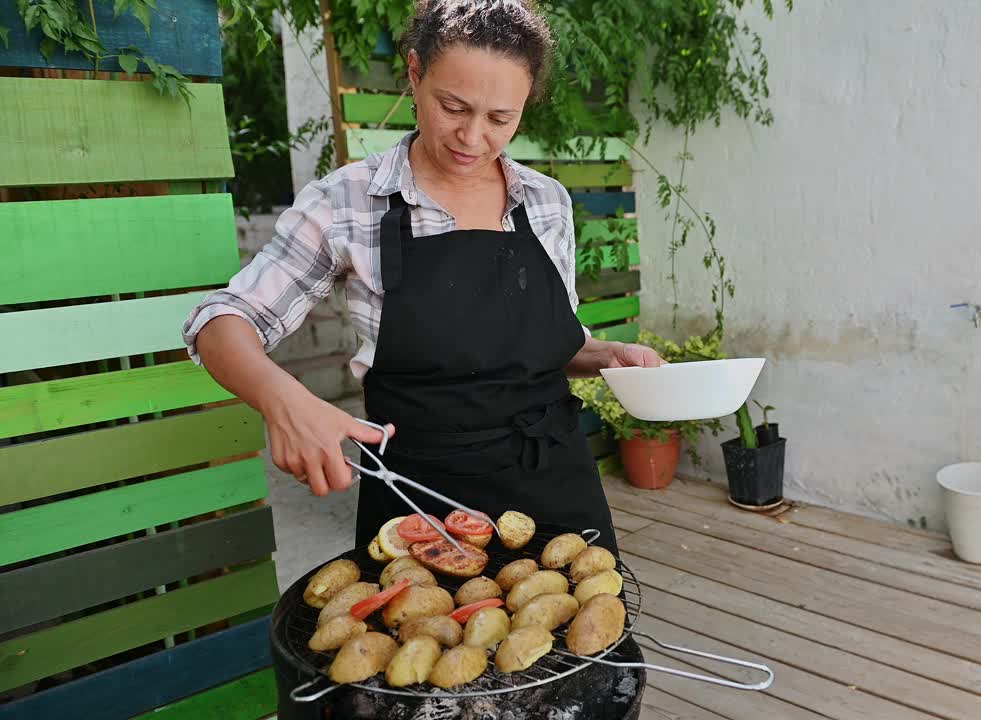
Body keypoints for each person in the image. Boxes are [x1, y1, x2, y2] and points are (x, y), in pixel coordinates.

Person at [182, 0, 662, 556]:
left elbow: (553, 344)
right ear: (414, 74)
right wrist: (282, 400)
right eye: (452, 106)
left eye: (500, 118)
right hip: (422, 500)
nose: (473, 137)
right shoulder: (348, 201)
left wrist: (605, 357)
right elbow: (219, 320)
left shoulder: (546, 202)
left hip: (557, 482)